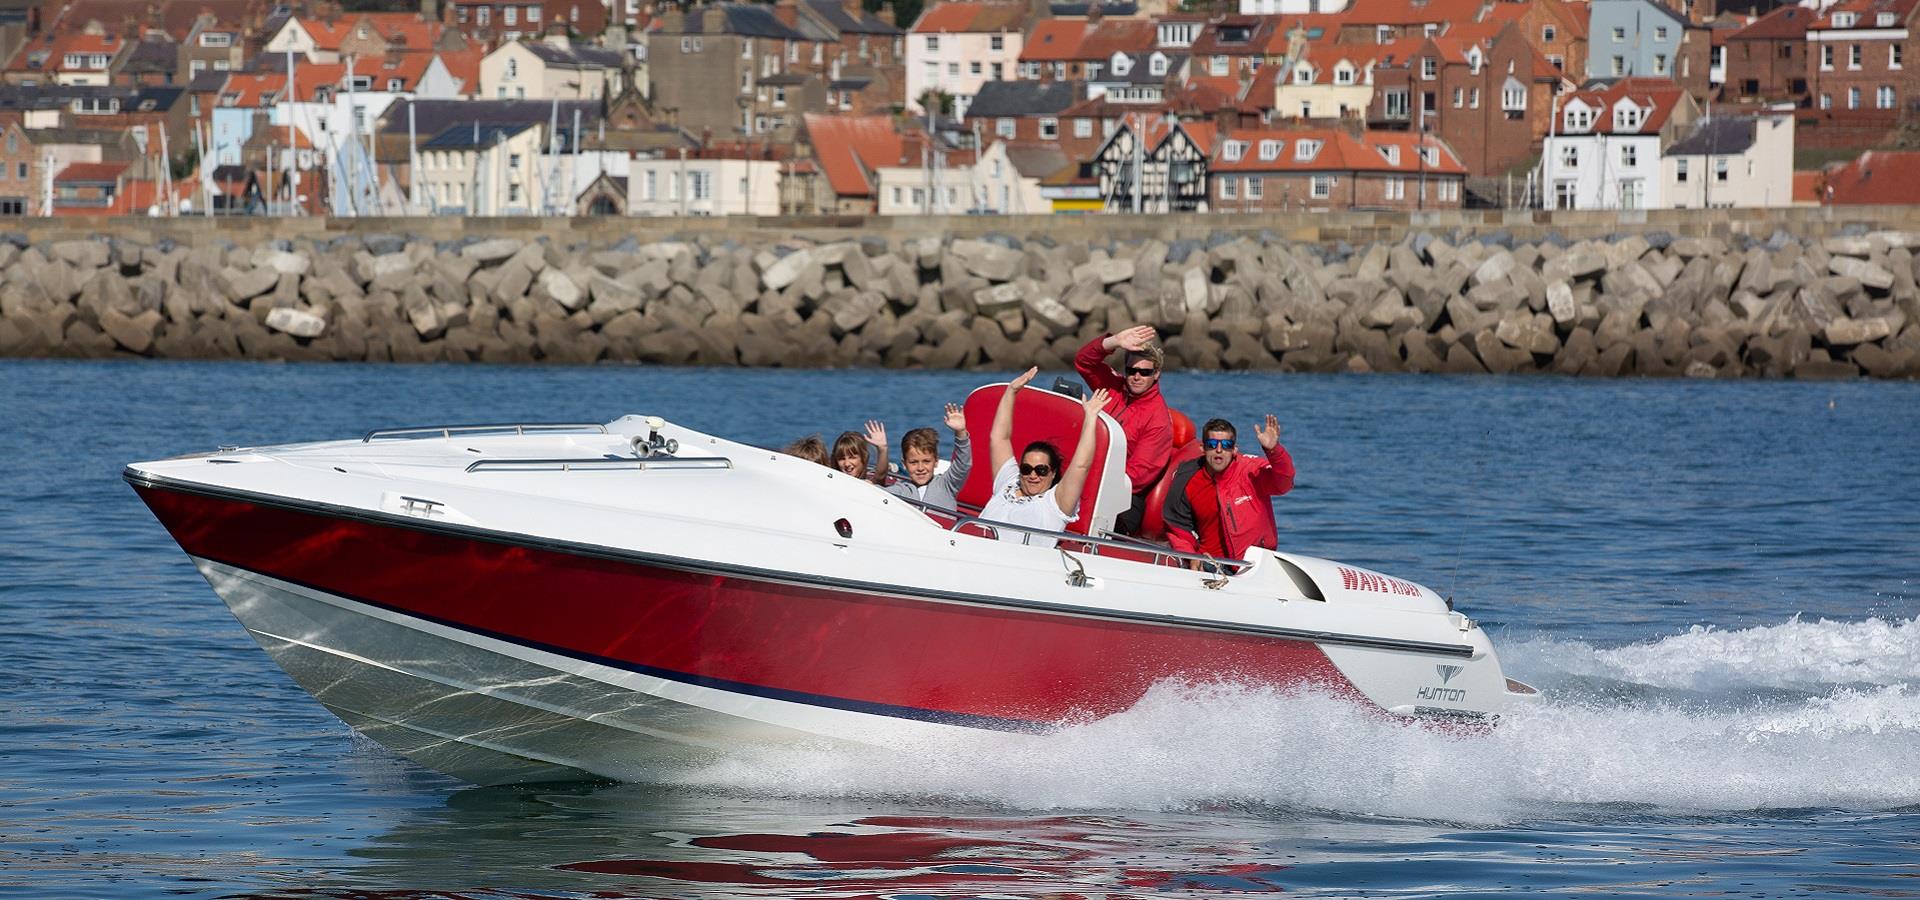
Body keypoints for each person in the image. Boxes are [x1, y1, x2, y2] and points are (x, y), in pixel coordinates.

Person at [978, 367, 1110, 545]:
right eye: (1026, 469)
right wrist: (1011, 391)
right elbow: (999, 438)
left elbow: (1081, 466)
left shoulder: (1055, 503)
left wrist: (1090, 418)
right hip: (974, 551)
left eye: (1041, 470)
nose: (1032, 475)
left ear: (1053, 473)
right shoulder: (1009, 482)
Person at [1075, 324, 1173, 534]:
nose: (1137, 377)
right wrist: (1114, 342)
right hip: (1082, 474)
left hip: (1124, 496)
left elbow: (1136, 476)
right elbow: (1083, 362)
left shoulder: (1158, 419)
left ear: (1156, 374)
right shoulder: (1113, 387)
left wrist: (1089, 480)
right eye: (1131, 370)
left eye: (1144, 372)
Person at [1162, 415, 1296, 565]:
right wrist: (1191, 557)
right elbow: (1178, 529)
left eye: (1226, 445)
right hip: (1209, 564)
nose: (1219, 450)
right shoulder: (1185, 478)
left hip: (1253, 566)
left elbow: (1284, 483)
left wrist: (1273, 451)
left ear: (1234, 449)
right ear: (1203, 448)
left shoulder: (1250, 470)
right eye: (1212, 444)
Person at [885, 403, 971, 510]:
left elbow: (963, 464)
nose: (920, 468)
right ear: (904, 464)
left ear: (936, 461)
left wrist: (960, 433)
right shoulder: (900, 490)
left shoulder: (946, 484)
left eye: (926, 461)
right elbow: (874, 494)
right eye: (913, 462)